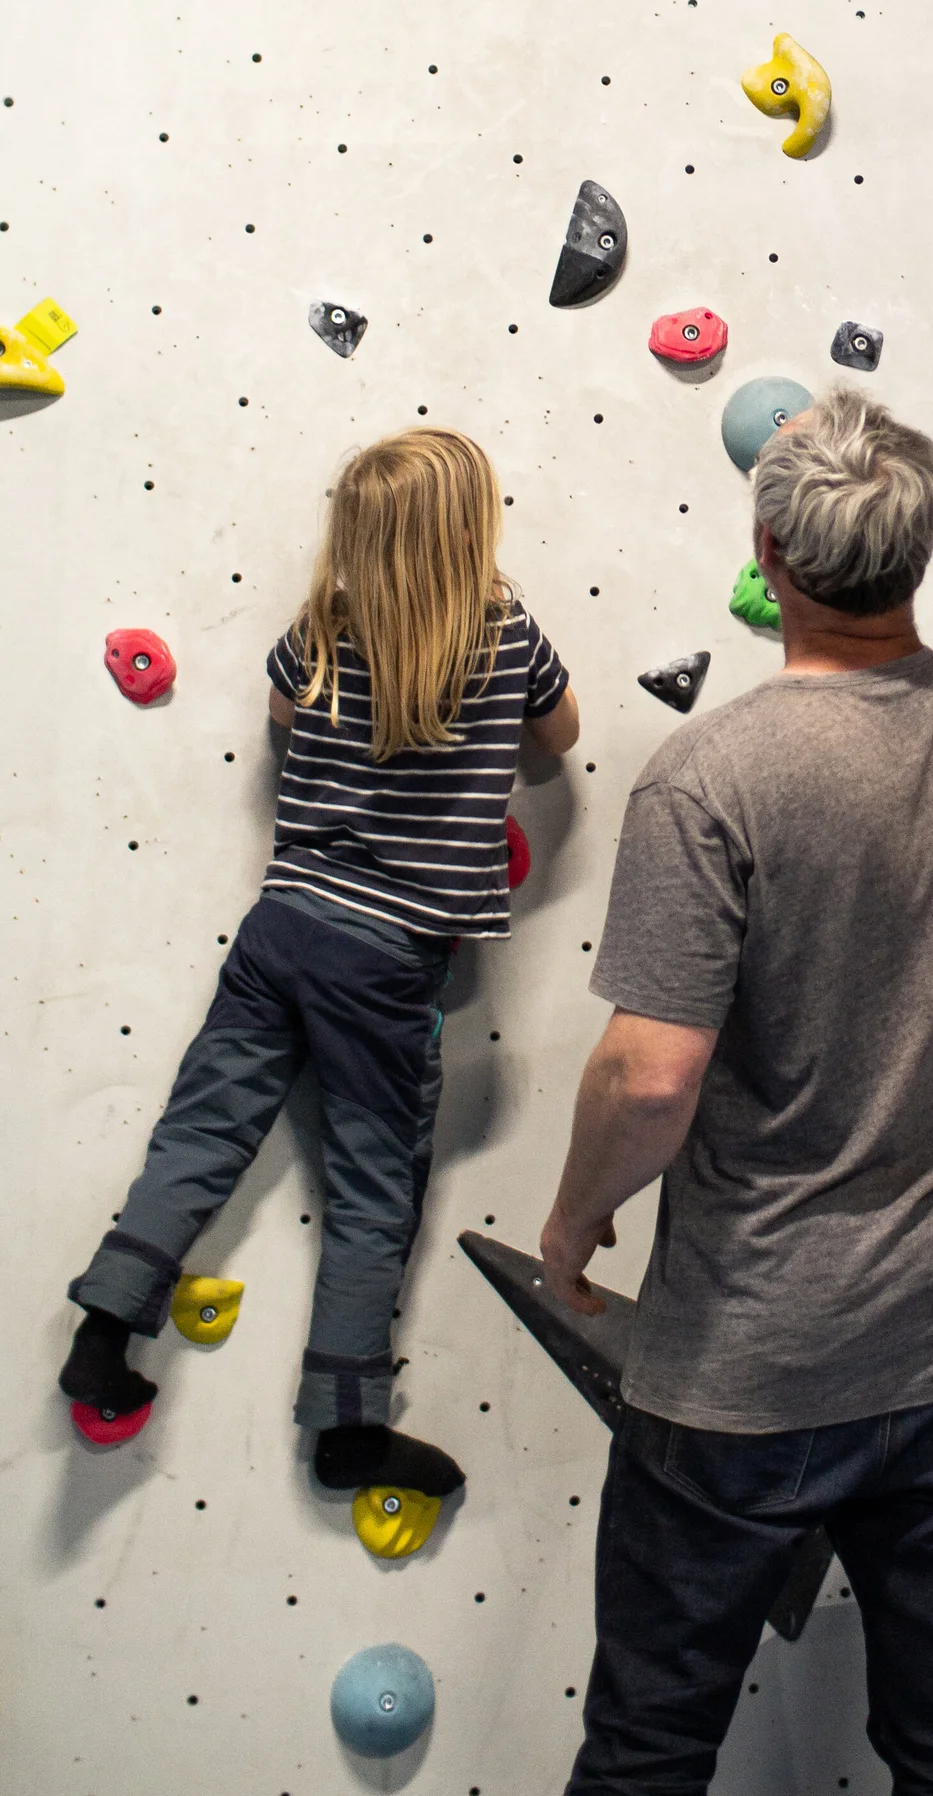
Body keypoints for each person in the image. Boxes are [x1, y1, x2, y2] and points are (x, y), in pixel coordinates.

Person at [536, 388, 933, 1796]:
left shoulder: (717, 772)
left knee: (649, 1749)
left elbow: (651, 1073)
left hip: (747, 1360)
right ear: (919, 552)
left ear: (769, 552)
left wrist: (571, 1224)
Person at [58, 427, 579, 1509]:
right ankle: (347, 1433)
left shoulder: (323, 631)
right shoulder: (506, 635)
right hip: (383, 961)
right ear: (473, 528)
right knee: (373, 1189)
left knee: (199, 1134)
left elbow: (282, 716)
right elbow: (560, 736)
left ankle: (105, 1329)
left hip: (281, 927)